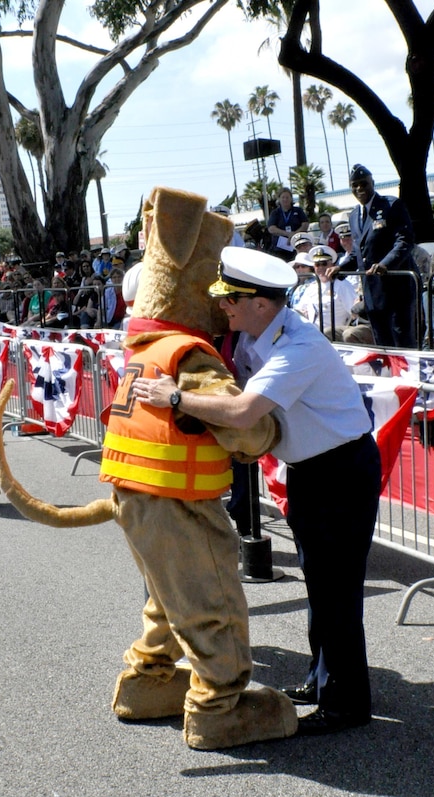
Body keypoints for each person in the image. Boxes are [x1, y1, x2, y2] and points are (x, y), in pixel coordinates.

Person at [133, 246, 382, 736]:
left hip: (341, 471)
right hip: (311, 470)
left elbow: (245, 411)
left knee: (337, 590)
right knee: (319, 583)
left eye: (231, 299)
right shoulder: (253, 335)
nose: (222, 306)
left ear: (262, 304)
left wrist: (177, 397)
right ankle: (321, 679)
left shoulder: (299, 347)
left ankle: (348, 704)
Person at [331, 164, 418, 348]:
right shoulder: (354, 215)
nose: (359, 189)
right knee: (382, 345)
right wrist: (341, 268)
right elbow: (358, 252)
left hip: (395, 289)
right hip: (372, 292)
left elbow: (404, 241)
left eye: (364, 184)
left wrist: (385, 263)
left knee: (402, 344)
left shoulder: (391, 205)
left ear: (373, 183)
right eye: (355, 185)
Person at [298, 245, 357, 340]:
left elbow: (354, 313)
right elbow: (300, 310)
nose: (321, 267)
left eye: (324, 263)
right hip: (311, 336)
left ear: (332, 265)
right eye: (317, 265)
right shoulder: (311, 288)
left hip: (334, 339)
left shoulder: (342, 286)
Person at [266, 187, 309, 261]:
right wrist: (287, 234)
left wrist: (294, 235)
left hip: (297, 246)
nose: (285, 199)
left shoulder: (298, 210)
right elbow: (271, 229)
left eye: (287, 197)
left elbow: (305, 225)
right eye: (283, 197)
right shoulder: (275, 213)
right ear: (279, 199)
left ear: (291, 199)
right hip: (279, 249)